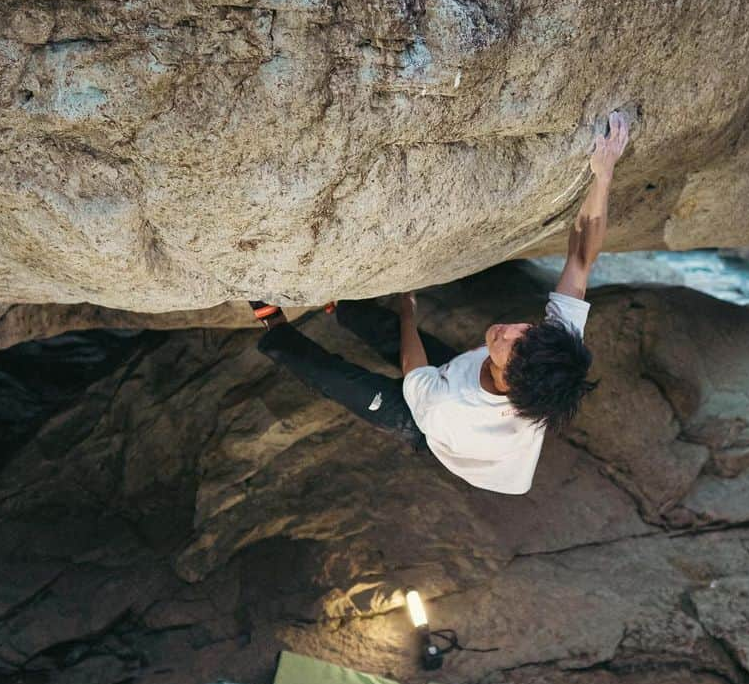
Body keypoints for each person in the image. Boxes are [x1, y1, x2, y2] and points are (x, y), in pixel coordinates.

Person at [253, 109, 631, 494]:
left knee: (340, 379)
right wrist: (604, 174)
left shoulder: (449, 411)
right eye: (527, 329)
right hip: (471, 384)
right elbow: (581, 259)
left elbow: (412, 365)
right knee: (389, 333)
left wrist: (408, 311)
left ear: (510, 380)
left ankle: (275, 327)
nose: (511, 328)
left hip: (436, 433)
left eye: (513, 344)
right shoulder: (551, 350)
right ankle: (342, 308)